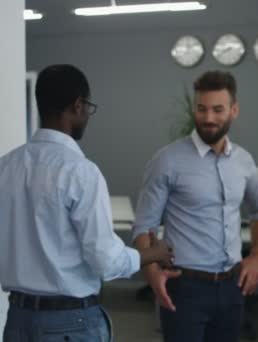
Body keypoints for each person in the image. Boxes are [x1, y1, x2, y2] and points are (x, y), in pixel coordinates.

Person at [0, 64, 174, 342]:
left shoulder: (6, 167)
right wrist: (151, 254)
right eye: (88, 108)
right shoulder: (80, 171)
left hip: (17, 321)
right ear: (78, 106)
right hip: (70, 324)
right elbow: (104, 261)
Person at [132, 70, 258, 342]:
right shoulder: (167, 160)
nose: (209, 118)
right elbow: (144, 226)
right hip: (184, 286)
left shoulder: (243, 161)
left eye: (218, 109)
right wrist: (151, 274)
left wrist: (257, 256)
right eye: (202, 109)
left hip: (232, 287)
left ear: (234, 110)